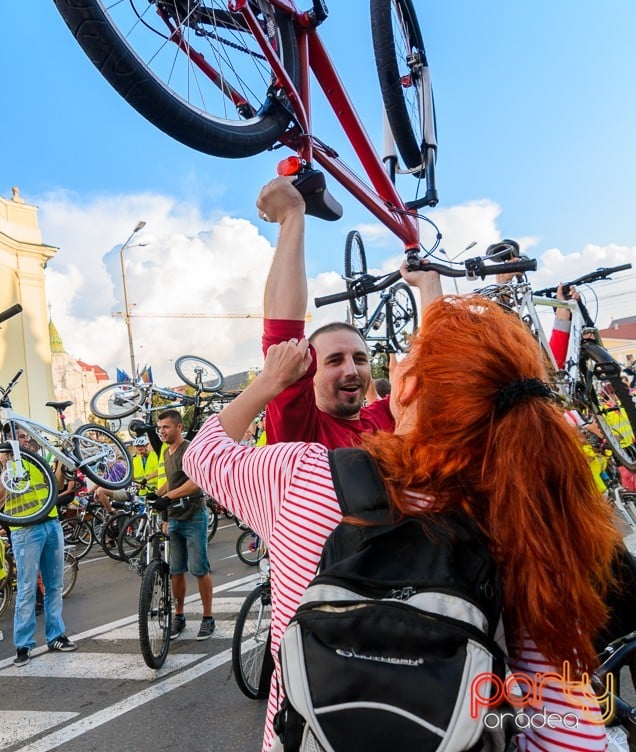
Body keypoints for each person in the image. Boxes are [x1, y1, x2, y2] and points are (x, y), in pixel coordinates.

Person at [184, 293, 620, 752]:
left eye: (405, 353)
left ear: (407, 388)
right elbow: (569, 735)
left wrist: (268, 382)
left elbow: (203, 454)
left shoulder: (303, 477)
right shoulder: (516, 515)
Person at [256, 176, 441, 447]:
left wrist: (429, 285)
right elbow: (282, 337)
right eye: (334, 360)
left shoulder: (384, 418)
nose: (352, 369)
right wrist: (291, 216)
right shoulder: (301, 431)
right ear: (308, 372)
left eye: (360, 358)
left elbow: (436, 373)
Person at [0, 433, 78, 666]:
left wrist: (62, 465)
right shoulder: (5, 468)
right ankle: (23, 644)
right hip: (24, 530)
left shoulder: (37, 462)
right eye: (19, 438)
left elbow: (57, 484)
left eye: (26, 437)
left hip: (51, 523)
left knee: (54, 585)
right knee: (26, 588)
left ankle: (56, 636)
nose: (25, 440)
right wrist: (5, 470)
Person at [152, 409, 215, 640]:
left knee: (199, 569)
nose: (162, 431)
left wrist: (168, 497)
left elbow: (194, 484)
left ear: (179, 427)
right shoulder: (166, 452)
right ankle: (179, 616)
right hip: (175, 518)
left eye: (166, 427)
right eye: (160, 428)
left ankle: (208, 618)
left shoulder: (190, 449)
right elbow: (172, 480)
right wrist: (154, 494)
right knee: (176, 571)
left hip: (194, 516)